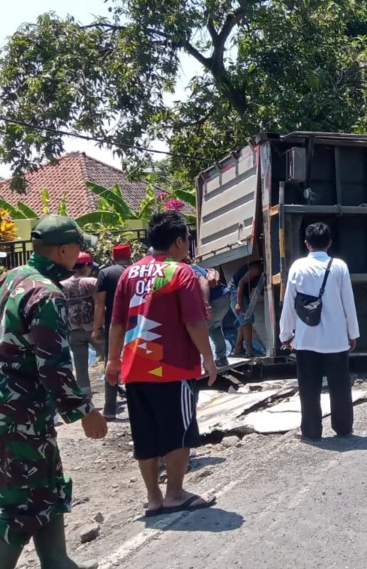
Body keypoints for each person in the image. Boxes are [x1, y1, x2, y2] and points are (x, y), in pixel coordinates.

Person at [0, 215, 108, 569]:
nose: (81, 254)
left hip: (5, 398)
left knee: (46, 483)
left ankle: (58, 560)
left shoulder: (11, 278)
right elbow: (53, 365)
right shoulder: (47, 294)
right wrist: (85, 412)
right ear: (64, 250)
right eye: (78, 248)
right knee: (22, 505)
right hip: (22, 407)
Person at [105, 212, 218, 517]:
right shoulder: (181, 273)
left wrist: (112, 360)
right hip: (173, 367)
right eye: (187, 240)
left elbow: (116, 323)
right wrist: (208, 358)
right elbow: (194, 322)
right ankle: (176, 494)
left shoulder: (129, 274)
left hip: (135, 366)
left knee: (145, 434)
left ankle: (154, 498)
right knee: (180, 430)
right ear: (179, 241)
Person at [279, 222, 359, 441]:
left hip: (306, 339)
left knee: (309, 388)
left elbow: (289, 304)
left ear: (306, 243)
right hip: (336, 339)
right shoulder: (340, 266)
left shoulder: (297, 267)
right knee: (340, 386)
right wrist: (352, 333)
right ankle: (343, 427)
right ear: (329, 243)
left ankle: (312, 431)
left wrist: (286, 334)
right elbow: (348, 304)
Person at [93, 244, 132, 419]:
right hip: (137, 324)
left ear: (113, 257)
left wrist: (96, 328)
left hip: (113, 325)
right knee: (136, 362)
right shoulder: (138, 270)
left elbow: (100, 304)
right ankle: (137, 406)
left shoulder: (105, 273)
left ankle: (109, 410)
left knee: (111, 364)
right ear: (129, 256)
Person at [61, 252, 98, 402]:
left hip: (73, 330)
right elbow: (99, 305)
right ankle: (112, 396)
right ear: (86, 266)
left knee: (80, 368)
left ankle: (85, 399)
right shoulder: (92, 282)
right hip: (94, 329)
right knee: (109, 361)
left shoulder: (62, 284)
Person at [232, 261, 265, 356]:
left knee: (243, 321)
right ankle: (249, 349)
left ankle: (238, 348)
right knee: (246, 321)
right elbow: (241, 283)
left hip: (241, 293)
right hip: (236, 291)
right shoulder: (256, 269)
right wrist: (238, 303)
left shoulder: (258, 271)